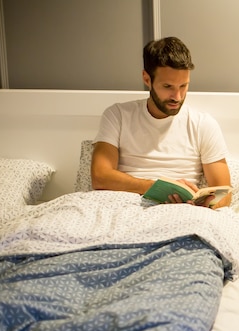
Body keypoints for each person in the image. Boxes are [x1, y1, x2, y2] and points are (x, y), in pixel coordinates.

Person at [91, 36, 231, 208]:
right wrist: (156, 188)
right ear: (147, 79)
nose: (177, 97)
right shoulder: (118, 115)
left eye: (183, 86)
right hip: (122, 205)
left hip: (183, 210)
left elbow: (224, 194)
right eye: (168, 87)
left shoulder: (203, 124)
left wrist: (202, 204)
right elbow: (100, 176)